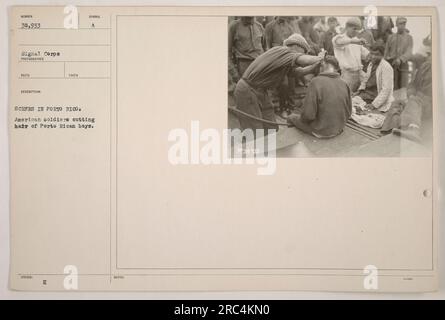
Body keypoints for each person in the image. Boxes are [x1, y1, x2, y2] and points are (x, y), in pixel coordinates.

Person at [234, 34, 325, 134]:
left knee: (271, 127)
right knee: (255, 131)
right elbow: (304, 60)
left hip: (261, 90)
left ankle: (268, 147)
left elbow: (298, 72)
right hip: (248, 89)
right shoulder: (283, 51)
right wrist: (319, 58)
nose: (302, 54)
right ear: (297, 46)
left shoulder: (283, 60)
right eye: (303, 52)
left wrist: (315, 65)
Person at [287, 55, 352, 138]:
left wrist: (301, 119)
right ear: (336, 68)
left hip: (321, 131)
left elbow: (308, 116)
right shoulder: (344, 83)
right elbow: (349, 112)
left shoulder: (315, 82)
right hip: (339, 128)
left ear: (321, 66)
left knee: (291, 117)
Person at [391, 38, 432, 142]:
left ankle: (413, 130)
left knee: (414, 101)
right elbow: (412, 84)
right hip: (418, 100)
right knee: (396, 104)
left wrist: (415, 97)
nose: (428, 58)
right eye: (427, 56)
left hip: (431, 105)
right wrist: (410, 93)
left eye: (429, 55)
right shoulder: (423, 67)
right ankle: (395, 129)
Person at [332, 17, 369, 92]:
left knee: (358, 99)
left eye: (358, 29)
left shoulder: (357, 41)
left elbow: (367, 55)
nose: (356, 31)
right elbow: (340, 42)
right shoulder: (339, 38)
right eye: (354, 29)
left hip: (359, 74)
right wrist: (355, 41)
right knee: (346, 97)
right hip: (346, 75)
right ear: (347, 27)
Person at [355, 44, 394, 112]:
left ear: (382, 55)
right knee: (352, 103)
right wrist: (359, 91)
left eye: (376, 54)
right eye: (372, 54)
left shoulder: (386, 67)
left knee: (362, 112)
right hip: (367, 94)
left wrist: (373, 105)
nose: (373, 57)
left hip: (376, 97)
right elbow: (365, 80)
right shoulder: (371, 64)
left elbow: (386, 90)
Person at [384, 17, 413, 90]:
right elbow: (386, 52)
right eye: (400, 24)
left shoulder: (409, 38)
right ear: (396, 24)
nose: (402, 26)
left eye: (404, 24)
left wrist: (400, 59)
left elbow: (409, 52)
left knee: (403, 89)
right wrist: (385, 62)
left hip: (403, 67)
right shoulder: (391, 37)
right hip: (392, 66)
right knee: (391, 88)